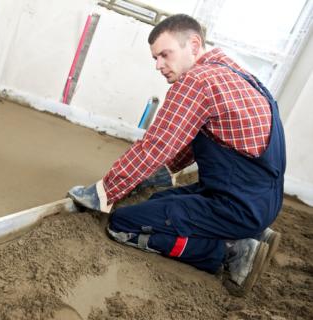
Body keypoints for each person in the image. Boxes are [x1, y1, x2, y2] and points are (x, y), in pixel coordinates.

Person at [68, 14, 285, 296]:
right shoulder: (239, 75)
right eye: (155, 58)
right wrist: (159, 173)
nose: (159, 65)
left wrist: (103, 192)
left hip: (236, 204)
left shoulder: (198, 81)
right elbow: (199, 138)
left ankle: (232, 250)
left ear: (194, 45)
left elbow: (157, 144)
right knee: (160, 200)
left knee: (124, 223)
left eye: (164, 55)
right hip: (258, 199)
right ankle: (252, 232)